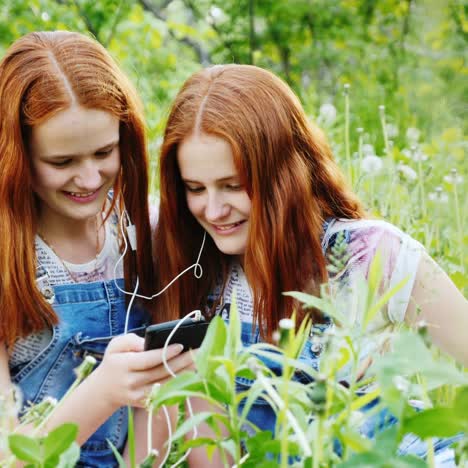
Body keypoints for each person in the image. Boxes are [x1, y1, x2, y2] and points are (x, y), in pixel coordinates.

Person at [153, 64, 468, 463]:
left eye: (234, 186)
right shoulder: (191, 273)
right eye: (195, 188)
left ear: (283, 177)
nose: (213, 209)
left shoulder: (371, 254)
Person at [0, 31, 194, 467]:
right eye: (62, 162)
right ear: (15, 157)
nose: (89, 180)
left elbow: (165, 397)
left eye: (104, 152)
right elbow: (6, 454)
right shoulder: (9, 258)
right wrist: (102, 392)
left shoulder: (150, 230)